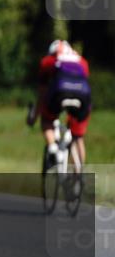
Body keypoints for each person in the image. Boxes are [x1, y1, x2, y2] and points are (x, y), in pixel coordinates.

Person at [30, 39, 92, 168]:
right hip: (83, 97)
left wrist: (34, 116)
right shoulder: (82, 61)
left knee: (47, 119)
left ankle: (53, 148)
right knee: (78, 136)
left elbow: (42, 93)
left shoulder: (49, 61)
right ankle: (79, 174)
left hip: (60, 93)